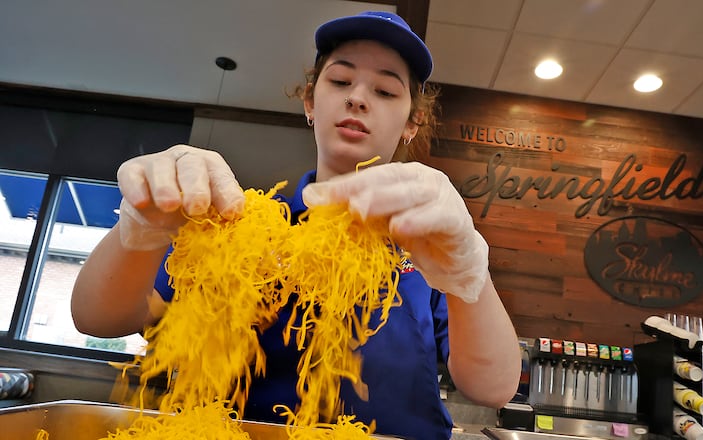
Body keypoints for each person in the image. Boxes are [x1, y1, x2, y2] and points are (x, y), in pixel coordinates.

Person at [71, 10, 521, 440]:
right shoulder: (238, 222)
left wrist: (469, 270)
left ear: (411, 123)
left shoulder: (431, 238)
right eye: (341, 80)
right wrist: (141, 224)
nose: (357, 97)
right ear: (310, 101)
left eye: (386, 91)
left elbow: (491, 387)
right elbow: (98, 318)